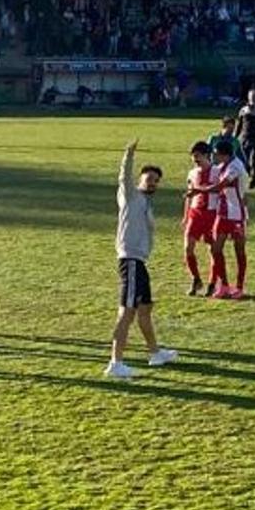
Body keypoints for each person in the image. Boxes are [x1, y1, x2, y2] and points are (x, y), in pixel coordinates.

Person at [106, 139, 178, 379]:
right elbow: (123, 176)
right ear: (140, 180)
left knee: (145, 308)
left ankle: (155, 353)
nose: (153, 183)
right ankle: (115, 362)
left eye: (156, 180)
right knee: (127, 312)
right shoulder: (130, 195)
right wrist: (128, 154)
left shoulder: (146, 202)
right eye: (149, 179)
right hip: (130, 261)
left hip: (140, 262)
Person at [202, 140, 250, 299]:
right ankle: (223, 285)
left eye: (216, 153)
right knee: (216, 249)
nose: (213, 156)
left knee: (239, 251)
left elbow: (221, 186)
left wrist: (198, 190)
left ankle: (239, 286)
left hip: (237, 214)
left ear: (225, 154)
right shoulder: (223, 166)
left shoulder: (236, 167)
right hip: (222, 213)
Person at [181, 141, 219, 296]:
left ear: (206, 155)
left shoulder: (217, 172)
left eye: (197, 156)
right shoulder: (192, 173)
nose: (194, 159)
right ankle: (196, 279)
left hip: (211, 213)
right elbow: (189, 196)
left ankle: (212, 283)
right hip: (195, 213)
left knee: (213, 250)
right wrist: (185, 215)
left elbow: (221, 191)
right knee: (188, 247)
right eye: (193, 156)